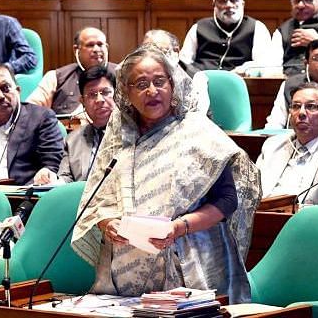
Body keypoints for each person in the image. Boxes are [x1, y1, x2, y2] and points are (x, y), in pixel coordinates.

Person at [71, 44, 260, 303]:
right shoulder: (120, 136)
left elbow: (227, 200)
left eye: (159, 81)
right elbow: (99, 199)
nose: (152, 91)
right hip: (125, 269)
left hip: (192, 261)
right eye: (141, 84)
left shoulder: (198, 132)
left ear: (172, 85)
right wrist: (107, 224)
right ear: (126, 91)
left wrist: (178, 227)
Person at [179, 0, 273, 77]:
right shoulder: (198, 27)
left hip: (239, 83)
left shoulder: (257, 28)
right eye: (223, 1)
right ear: (214, 5)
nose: (228, 5)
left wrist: (243, 70)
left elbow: (262, 64)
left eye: (233, 0)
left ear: (242, 4)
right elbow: (184, 62)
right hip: (200, 82)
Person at [27, 27, 117, 115]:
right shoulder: (55, 77)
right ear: (76, 50)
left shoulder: (122, 74)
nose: (96, 49)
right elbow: (30, 110)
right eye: (90, 45)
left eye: (100, 44)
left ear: (107, 48)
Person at [58, 65, 115, 183]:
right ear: (82, 102)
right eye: (92, 94)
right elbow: (64, 179)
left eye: (105, 92)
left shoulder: (134, 132)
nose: (100, 100)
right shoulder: (71, 140)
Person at [143, 29, 209, 114]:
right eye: (145, 51)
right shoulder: (132, 73)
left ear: (176, 51)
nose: (151, 57)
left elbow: (200, 116)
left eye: (158, 51)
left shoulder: (196, 78)